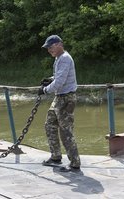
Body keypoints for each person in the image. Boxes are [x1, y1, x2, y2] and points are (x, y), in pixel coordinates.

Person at [38, 35, 81, 172]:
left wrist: (45, 90)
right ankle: (56, 156)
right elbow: (58, 77)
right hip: (59, 98)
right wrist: (49, 79)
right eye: (48, 48)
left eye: (51, 47)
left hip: (66, 99)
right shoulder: (58, 59)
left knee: (65, 131)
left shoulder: (65, 58)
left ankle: (75, 163)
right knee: (49, 124)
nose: (49, 50)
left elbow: (60, 82)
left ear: (59, 44)